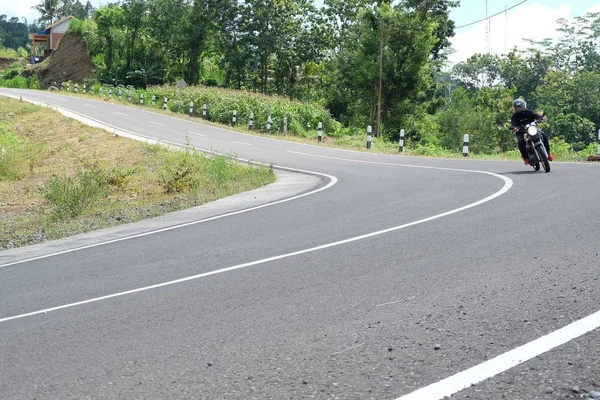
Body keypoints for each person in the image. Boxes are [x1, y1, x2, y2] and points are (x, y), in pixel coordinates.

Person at [510, 98, 553, 164]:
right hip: (521, 132)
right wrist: (514, 127)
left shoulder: (529, 112)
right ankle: (526, 158)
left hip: (532, 129)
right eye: (517, 107)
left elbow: (537, 116)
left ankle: (548, 153)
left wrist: (541, 118)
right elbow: (513, 123)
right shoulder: (514, 116)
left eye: (520, 107)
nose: (518, 109)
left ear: (524, 106)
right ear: (514, 108)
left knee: (543, 135)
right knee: (520, 142)